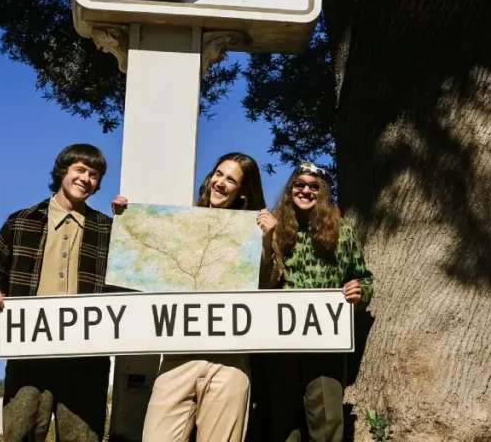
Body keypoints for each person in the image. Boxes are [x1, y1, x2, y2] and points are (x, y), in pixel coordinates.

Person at [110, 152, 275, 442]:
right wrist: (129, 218)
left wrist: (268, 240)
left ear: (243, 192)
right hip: (178, 355)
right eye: (219, 174)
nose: (221, 183)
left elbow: (266, 286)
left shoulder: (256, 233)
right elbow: (144, 260)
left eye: (231, 180)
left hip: (229, 361)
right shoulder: (180, 225)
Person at [0, 143, 116, 442]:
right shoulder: (21, 221)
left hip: (86, 356)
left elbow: (130, 283)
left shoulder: (108, 229)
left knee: (83, 437)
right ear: (62, 171)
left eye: (94, 175)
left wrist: (131, 222)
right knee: (21, 433)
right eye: (80, 170)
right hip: (29, 350)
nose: (86, 179)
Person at [260, 162, 374, 442]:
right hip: (280, 341)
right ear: (290, 189)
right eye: (299, 184)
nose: (305, 190)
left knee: (327, 423)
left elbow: (363, 278)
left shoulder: (342, 232)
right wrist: (267, 237)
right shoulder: (274, 229)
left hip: (325, 342)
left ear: (323, 194)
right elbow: (257, 278)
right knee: (283, 422)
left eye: (314, 186)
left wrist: (359, 292)